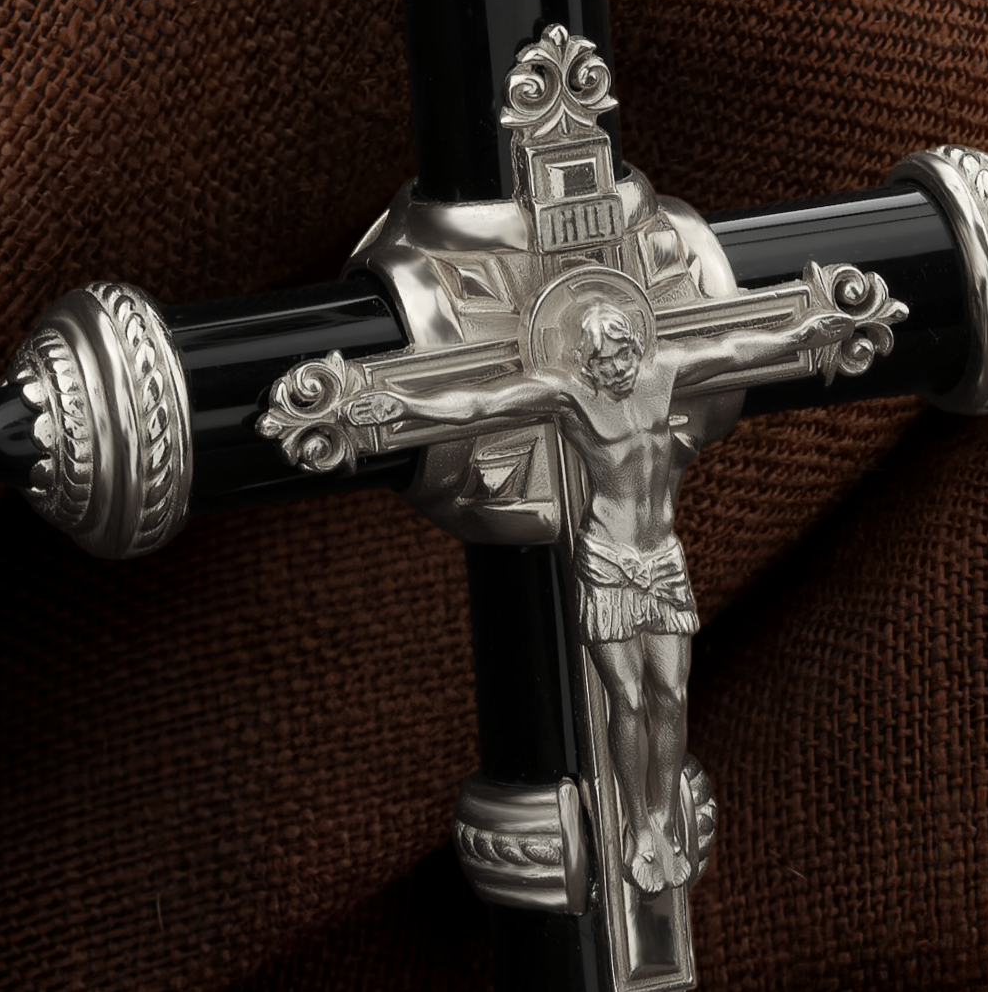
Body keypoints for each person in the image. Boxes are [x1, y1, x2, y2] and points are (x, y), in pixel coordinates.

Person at [348, 290, 852, 893]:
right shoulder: (571, 397)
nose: (616, 368)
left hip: (662, 560)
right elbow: (484, 402)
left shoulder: (664, 372)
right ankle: (636, 826)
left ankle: (661, 820)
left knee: (672, 694)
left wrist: (803, 334)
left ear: (637, 346)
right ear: (585, 363)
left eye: (623, 355)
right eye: (603, 360)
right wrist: (405, 402)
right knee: (629, 699)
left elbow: (736, 349)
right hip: (610, 563)